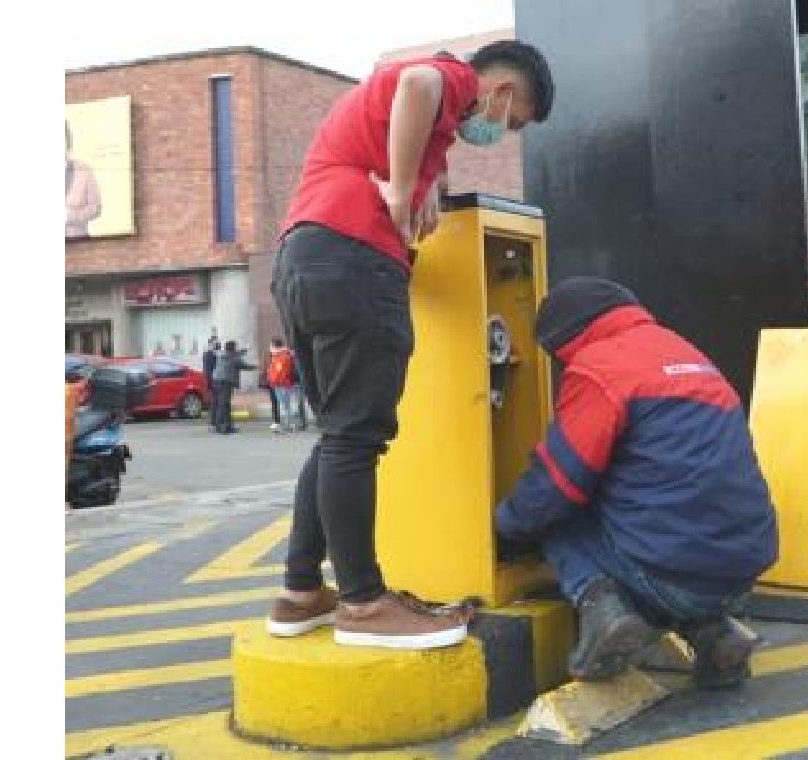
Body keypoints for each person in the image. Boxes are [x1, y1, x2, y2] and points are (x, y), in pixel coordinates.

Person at [266, 40, 555, 649]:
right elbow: (419, 85)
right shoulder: (451, 78)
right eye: (515, 120)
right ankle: (365, 604)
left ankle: (300, 592)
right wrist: (401, 190)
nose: (501, 131)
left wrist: (429, 176)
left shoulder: (430, 134)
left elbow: (418, 122)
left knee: (337, 433)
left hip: (303, 258)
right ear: (501, 93)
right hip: (356, 261)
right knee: (355, 438)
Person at [494, 277, 779, 689]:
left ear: (563, 340)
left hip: (668, 571)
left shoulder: (599, 368)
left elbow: (558, 485)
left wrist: (504, 530)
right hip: (742, 566)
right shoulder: (687, 354)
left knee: (562, 515)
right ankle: (715, 633)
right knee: (666, 514)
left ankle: (605, 610)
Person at [65, 121, 102, 239]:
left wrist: (70, 216)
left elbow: (95, 208)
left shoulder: (84, 171)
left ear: (67, 143)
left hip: (78, 240)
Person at [211, 340, 255, 434]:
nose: (236, 348)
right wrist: (256, 367)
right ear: (233, 348)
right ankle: (221, 427)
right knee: (224, 405)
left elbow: (235, 355)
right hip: (225, 382)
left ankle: (227, 426)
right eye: (235, 347)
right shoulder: (233, 357)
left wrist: (241, 352)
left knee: (222, 404)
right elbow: (243, 365)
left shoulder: (222, 355)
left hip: (216, 381)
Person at [266, 337, 301, 433]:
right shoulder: (283, 355)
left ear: (274, 346)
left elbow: (279, 372)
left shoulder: (281, 357)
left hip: (281, 384)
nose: (270, 348)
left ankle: (288, 425)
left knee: (285, 405)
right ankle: (290, 424)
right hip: (282, 383)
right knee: (286, 405)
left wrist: (273, 381)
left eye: (271, 345)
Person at [202, 339, 221, 431]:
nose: (218, 345)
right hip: (214, 381)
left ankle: (215, 422)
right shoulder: (209, 355)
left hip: (214, 381)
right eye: (216, 344)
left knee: (216, 402)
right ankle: (214, 423)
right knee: (215, 402)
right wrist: (211, 383)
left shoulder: (212, 354)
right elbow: (208, 371)